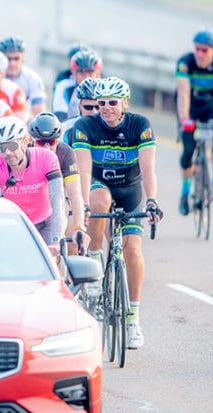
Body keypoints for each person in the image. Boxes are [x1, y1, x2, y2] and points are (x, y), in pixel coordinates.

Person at [71, 77, 162, 350]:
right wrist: (83, 205)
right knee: (99, 199)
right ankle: (95, 262)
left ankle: (133, 319)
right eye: (101, 103)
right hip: (99, 185)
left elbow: (148, 169)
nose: (106, 108)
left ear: (125, 103)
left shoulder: (140, 125)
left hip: (130, 190)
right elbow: (83, 170)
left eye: (112, 102)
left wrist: (152, 201)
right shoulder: (85, 126)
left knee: (132, 250)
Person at [0, 116, 65, 255]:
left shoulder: (47, 157)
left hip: (45, 222)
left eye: (12, 146)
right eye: (1, 147)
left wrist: (57, 240)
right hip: (12, 224)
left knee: (51, 260)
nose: (7, 152)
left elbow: (57, 199)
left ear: (25, 141)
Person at [176, 28, 213, 213]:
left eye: (204, 50)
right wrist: (184, 119)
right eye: (197, 49)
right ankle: (185, 192)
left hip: (210, 105)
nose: (200, 54)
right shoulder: (185, 63)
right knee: (188, 150)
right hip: (190, 107)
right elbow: (183, 93)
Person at [28, 111, 88, 255]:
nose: (46, 148)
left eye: (51, 142)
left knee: (66, 246)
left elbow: (75, 193)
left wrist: (79, 227)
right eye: (40, 142)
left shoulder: (65, 152)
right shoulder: (25, 151)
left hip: (56, 203)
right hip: (30, 203)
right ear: (31, 140)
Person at [0, 37, 47, 116]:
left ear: (22, 59)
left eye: (16, 59)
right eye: (8, 59)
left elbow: (39, 111)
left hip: (23, 119)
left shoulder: (33, 78)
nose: (12, 63)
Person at [52, 50, 102, 122]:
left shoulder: (105, 88)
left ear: (98, 74)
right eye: (82, 74)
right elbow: (60, 116)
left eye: (90, 74)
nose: (86, 78)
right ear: (74, 74)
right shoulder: (64, 86)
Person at [60, 78, 99, 144]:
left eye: (98, 107)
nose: (94, 112)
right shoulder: (65, 128)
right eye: (88, 107)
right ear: (79, 107)